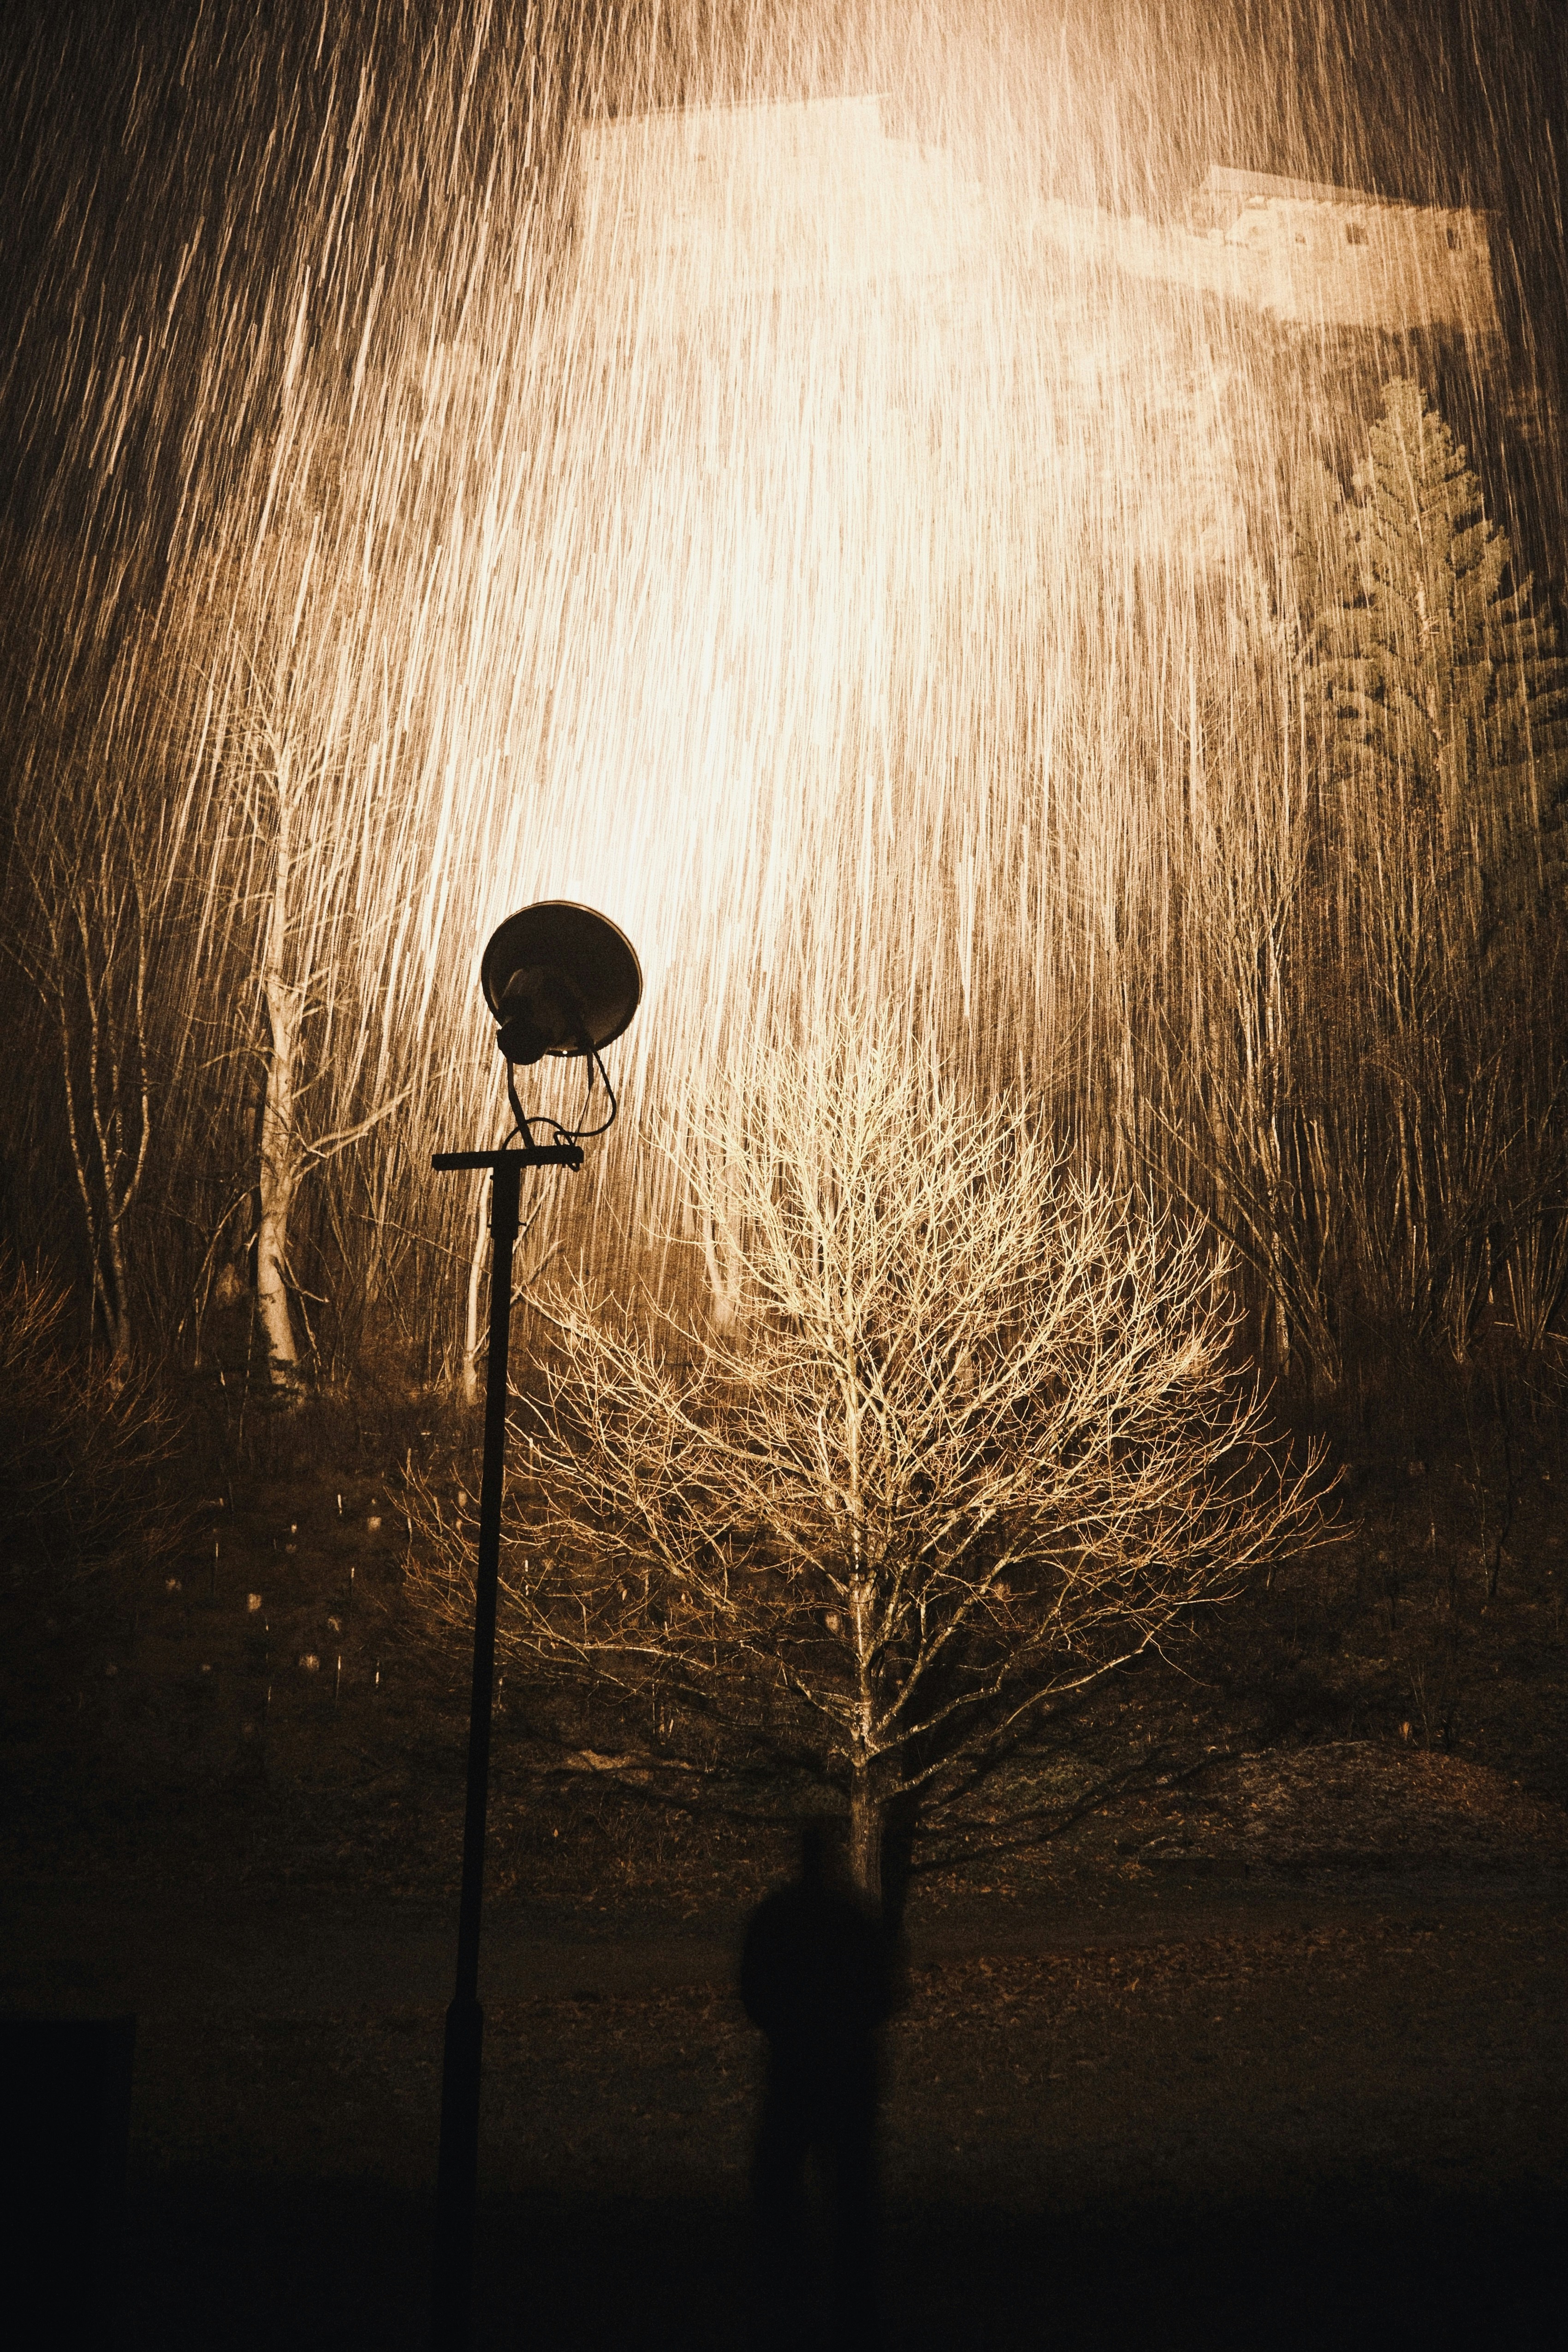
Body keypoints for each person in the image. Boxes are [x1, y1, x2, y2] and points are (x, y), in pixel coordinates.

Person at [739, 1817, 902, 2350]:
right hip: (844, 2066)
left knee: (780, 2180)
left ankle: (785, 2291)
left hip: (795, 2065)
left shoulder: (781, 1915)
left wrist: (787, 2026)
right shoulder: (850, 1916)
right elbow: (883, 1991)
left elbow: (753, 1989)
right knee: (850, 2189)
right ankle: (853, 2301)